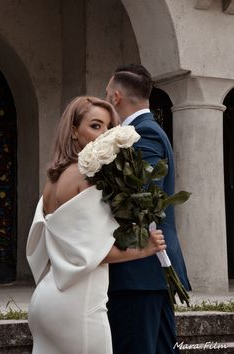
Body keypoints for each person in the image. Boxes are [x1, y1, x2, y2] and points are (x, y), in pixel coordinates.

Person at [26, 96, 167, 354]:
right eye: (95, 126)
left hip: (45, 302)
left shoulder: (52, 180)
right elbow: (93, 253)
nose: (104, 134)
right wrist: (145, 248)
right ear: (73, 132)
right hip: (80, 306)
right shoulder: (88, 179)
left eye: (108, 127)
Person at [106, 64, 191, 354]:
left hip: (139, 269)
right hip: (148, 272)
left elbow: (146, 195)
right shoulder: (146, 129)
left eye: (107, 94)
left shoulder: (144, 133)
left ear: (116, 96)